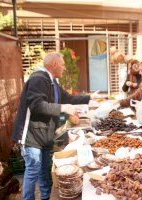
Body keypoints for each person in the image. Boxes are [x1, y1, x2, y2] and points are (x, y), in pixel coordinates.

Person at [12, 52, 91, 200]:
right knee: (33, 170)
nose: (65, 68)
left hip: (44, 135)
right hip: (30, 136)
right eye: (62, 64)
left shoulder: (53, 82)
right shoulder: (38, 79)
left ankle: (46, 197)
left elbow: (68, 98)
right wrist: (62, 108)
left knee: (44, 170)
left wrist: (90, 99)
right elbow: (36, 105)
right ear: (54, 64)